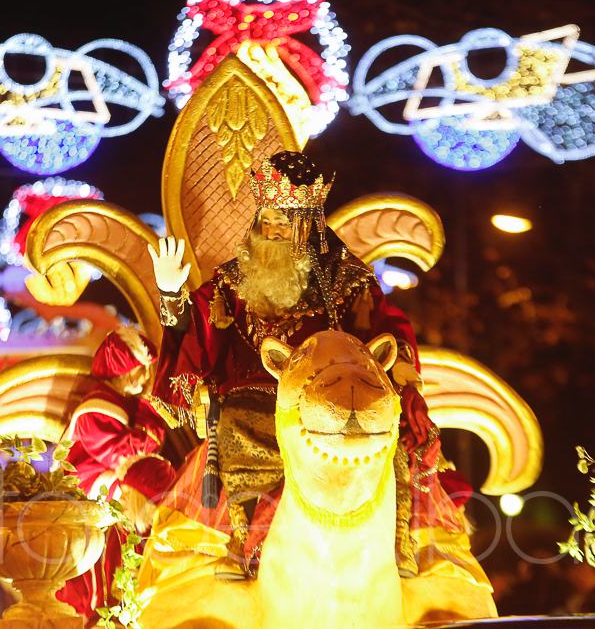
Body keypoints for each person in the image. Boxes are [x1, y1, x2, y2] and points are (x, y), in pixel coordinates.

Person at [147, 150, 451, 579]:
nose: (271, 231)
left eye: (283, 222)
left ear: (307, 225)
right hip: (254, 400)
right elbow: (196, 332)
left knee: (386, 440)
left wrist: (400, 377)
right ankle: (248, 543)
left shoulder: (347, 279)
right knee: (237, 423)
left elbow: (386, 332)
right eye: (266, 220)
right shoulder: (232, 280)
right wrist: (170, 294)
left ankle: (395, 546)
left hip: (336, 396)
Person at [60, 327, 176, 615]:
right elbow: (130, 455)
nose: (147, 378)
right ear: (125, 370)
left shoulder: (116, 403)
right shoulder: (95, 411)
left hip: (115, 500)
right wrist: (151, 408)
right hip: (87, 506)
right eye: (143, 369)